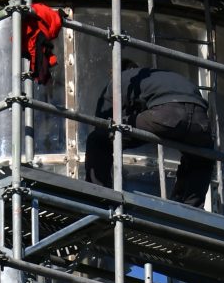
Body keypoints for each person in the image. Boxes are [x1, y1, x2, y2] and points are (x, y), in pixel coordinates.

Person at [84, 61, 215, 205]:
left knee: (98, 139)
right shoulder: (167, 77)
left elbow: (102, 120)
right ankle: (190, 206)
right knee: (202, 157)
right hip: (201, 122)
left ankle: (98, 194)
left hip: (166, 115)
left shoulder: (125, 78)